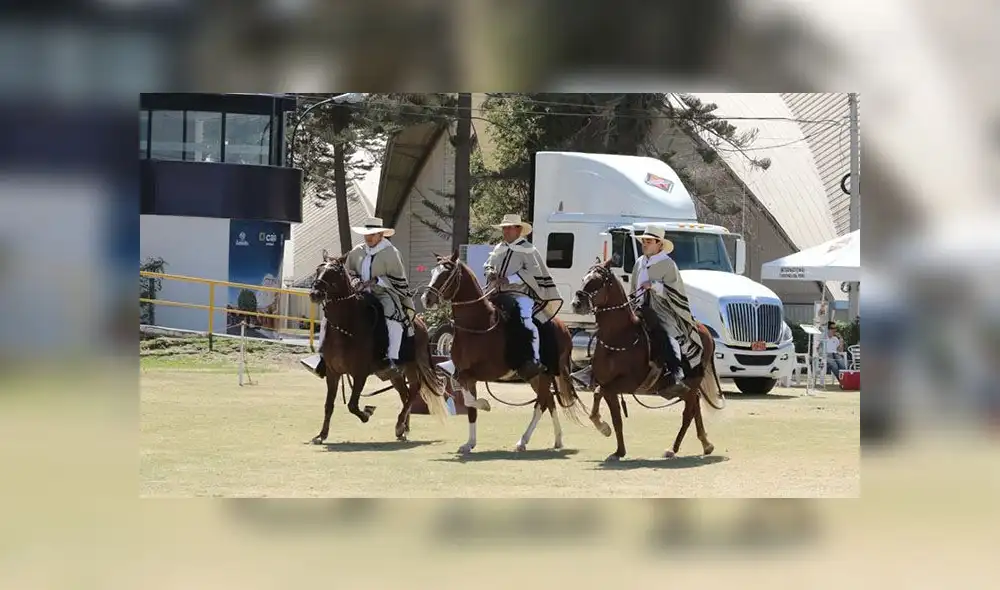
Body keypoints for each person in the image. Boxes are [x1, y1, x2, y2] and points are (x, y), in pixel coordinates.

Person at [301, 217, 414, 378]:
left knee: (392, 317)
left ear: (381, 235)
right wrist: (355, 280)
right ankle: (323, 358)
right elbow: (347, 272)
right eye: (366, 234)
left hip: (383, 293)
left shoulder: (391, 253)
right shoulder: (357, 251)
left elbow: (399, 278)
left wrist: (377, 280)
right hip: (357, 293)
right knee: (331, 314)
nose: (368, 238)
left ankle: (391, 358)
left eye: (372, 234)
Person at [484, 213, 563, 380]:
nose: (505, 231)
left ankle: (534, 359)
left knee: (526, 319)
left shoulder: (528, 249)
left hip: (520, 294)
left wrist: (508, 279)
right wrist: (490, 273)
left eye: (508, 228)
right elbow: (488, 264)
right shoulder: (499, 248)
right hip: (496, 293)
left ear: (518, 230)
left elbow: (533, 273)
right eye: (504, 228)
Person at [629, 225, 703, 384]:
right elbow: (633, 287)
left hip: (662, 310)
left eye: (649, 241)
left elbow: (675, 291)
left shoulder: (668, 264)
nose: (645, 244)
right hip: (639, 308)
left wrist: (654, 286)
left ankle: (676, 371)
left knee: (670, 334)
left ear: (659, 244)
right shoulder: (639, 262)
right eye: (643, 241)